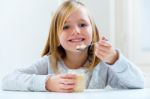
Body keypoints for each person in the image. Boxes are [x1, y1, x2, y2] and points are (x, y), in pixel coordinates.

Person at [1, 0, 144, 93]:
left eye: (82, 25)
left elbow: (138, 83)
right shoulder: (49, 63)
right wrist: (47, 83)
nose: (76, 31)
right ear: (56, 37)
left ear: (93, 31)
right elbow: (8, 80)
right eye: (66, 27)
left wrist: (115, 59)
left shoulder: (102, 66)